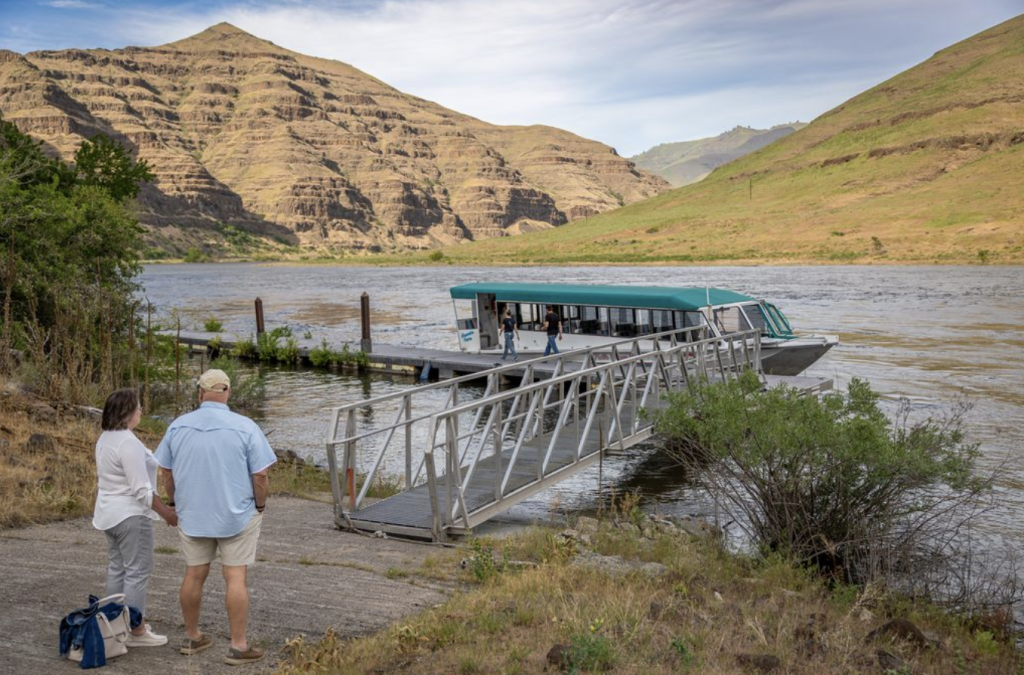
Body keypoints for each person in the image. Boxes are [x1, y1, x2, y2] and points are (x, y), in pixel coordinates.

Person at [154, 369, 277, 666]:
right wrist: (260, 505)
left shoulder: (178, 426)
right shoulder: (246, 426)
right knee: (235, 576)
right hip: (235, 515)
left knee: (194, 573)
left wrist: (174, 500)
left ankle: (192, 636)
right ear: (228, 392)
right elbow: (260, 474)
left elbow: (165, 471)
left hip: (193, 514)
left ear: (199, 393)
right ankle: (238, 646)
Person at [93, 388, 177, 649]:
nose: (141, 411)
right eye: (139, 407)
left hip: (109, 514)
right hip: (130, 515)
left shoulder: (106, 438)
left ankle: (112, 625)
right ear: (128, 412)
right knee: (137, 572)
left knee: (118, 569)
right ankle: (136, 629)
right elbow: (141, 489)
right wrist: (167, 514)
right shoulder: (127, 442)